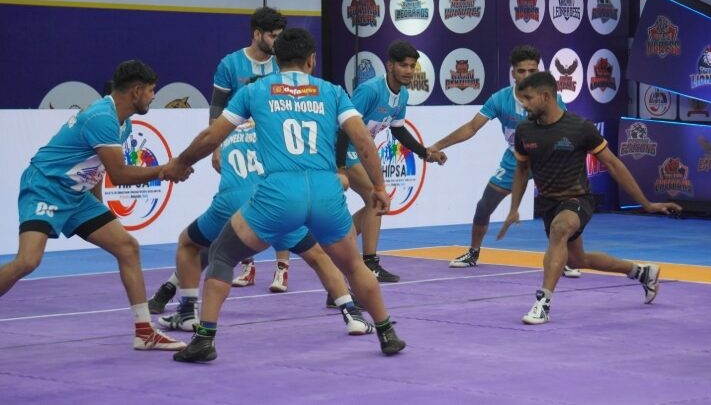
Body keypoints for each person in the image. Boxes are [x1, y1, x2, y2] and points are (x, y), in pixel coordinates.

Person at [161, 28, 406, 362]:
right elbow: (363, 140)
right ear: (311, 60)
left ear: (276, 61)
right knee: (352, 264)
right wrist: (378, 187)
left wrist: (181, 163)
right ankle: (387, 332)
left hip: (279, 194)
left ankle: (204, 339)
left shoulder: (256, 90)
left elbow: (211, 137)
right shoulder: (332, 91)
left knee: (221, 253)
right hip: (325, 191)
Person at [0, 60, 189, 350]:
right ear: (136, 91)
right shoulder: (101, 118)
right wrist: (164, 170)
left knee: (127, 247)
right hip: (45, 187)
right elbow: (120, 174)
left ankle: (144, 332)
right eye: (152, 90)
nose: (154, 96)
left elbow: (99, 168)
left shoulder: (124, 123)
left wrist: (100, 208)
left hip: (77, 195)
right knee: (28, 260)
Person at [154, 120, 373, 337]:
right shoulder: (274, 125)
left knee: (195, 245)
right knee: (319, 257)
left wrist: (181, 163)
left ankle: (186, 309)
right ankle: (352, 314)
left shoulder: (227, 129)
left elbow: (212, 148)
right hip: (269, 201)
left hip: (230, 200)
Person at [496, 71, 682, 325]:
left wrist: (646, 203)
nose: (524, 104)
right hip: (549, 203)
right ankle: (641, 272)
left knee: (560, 229)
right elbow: (521, 170)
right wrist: (513, 208)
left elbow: (614, 165)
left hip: (578, 199)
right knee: (577, 259)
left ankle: (543, 303)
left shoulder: (580, 127)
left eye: (528, 98)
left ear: (546, 96)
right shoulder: (525, 130)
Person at [148, 7, 288, 311]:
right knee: (229, 233)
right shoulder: (230, 64)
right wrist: (217, 147)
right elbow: (217, 110)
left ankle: (173, 291)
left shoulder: (283, 63)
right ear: (256, 34)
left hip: (273, 156)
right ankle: (346, 299)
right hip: (240, 154)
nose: (278, 42)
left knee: (235, 235)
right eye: (273, 36)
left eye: (281, 36)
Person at [428, 45, 580, 278]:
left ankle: (564, 259)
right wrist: (438, 145)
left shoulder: (551, 99)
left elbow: (566, 130)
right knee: (484, 206)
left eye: (532, 71)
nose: (527, 76)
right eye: (521, 71)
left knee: (560, 211)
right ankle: (473, 253)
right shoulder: (500, 99)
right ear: (513, 73)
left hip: (547, 161)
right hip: (515, 161)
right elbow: (471, 127)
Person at [336, 40, 446, 285]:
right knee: (376, 198)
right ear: (390, 66)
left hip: (362, 151)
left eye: (412, 66)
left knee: (374, 202)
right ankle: (369, 263)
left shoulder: (403, 94)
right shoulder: (370, 90)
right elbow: (344, 127)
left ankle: (338, 245)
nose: (408, 70)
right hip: (343, 148)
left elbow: (398, 130)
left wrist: (425, 152)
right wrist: (340, 167)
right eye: (403, 65)